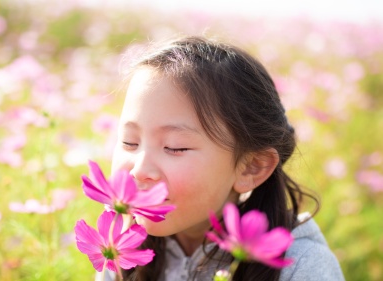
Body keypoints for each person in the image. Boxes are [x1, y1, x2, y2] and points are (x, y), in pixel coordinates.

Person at [100, 36, 344, 281]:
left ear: (251, 167)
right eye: (130, 142)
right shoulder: (120, 249)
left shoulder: (301, 266)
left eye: (174, 147)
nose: (139, 170)